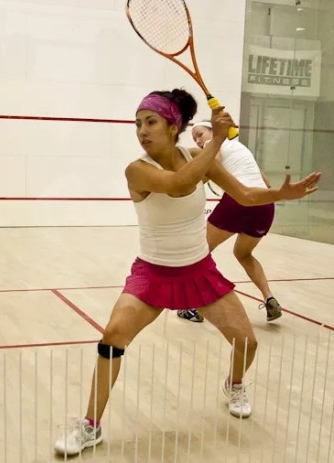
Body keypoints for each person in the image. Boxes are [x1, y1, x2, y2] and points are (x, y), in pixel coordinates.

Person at [54, 90, 320, 456]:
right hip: (152, 273)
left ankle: (234, 384)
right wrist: (216, 143)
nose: (141, 131)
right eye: (137, 123)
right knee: (112, 338)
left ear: (172, 126)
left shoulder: (198, 157)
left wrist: (280, 195)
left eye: (150, 122)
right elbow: (179, 185)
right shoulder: (137, 169)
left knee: (248, 342)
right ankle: (90, 425)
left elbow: (244, 195)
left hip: (199, 270)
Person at [177, 120, 281, 324]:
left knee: (199, 251)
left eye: (200, 134)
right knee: (243, 254)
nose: (198, 141)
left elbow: (211, 166)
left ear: (213, 131)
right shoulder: (240, 148)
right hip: (265, 205)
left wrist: (185, 186)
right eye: (195, 138)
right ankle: (269, 298)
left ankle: (193, 305)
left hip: (239, 201)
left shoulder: (213, 144)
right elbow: (266, 182)